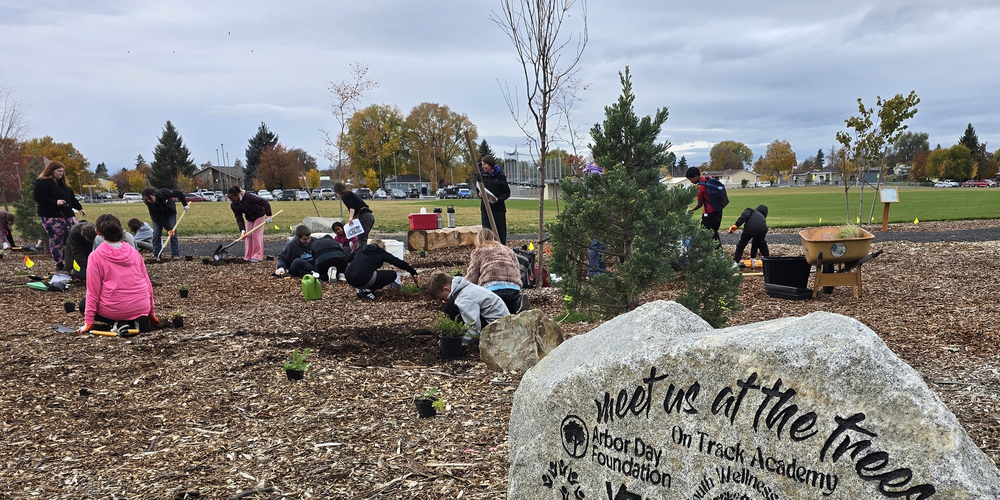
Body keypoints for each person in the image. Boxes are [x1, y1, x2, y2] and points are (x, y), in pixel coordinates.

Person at [77, 214, 157, 334]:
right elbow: (147, 284)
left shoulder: (96, 256)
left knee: (83, 304)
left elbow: (93, 291)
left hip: (114, 309)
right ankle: (134, 320)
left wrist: (89, 321)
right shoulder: (134, 253)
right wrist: (151, 312)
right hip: (142, 307)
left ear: (97, 232)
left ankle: (121, 322)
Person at [427, 270, 510, 344]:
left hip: (498, 329)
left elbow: (473, 325)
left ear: (447, 289)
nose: (444, 301)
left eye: (443, 299)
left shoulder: (464, 297)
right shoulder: (465, 287)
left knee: (449, 309)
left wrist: (459, 343)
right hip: (502, 322)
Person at [33, 161, 85, 271]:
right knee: (57, 241)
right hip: (51, 216)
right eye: (59, 171)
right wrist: (55, 202)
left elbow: (71, 198)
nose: (61, 173)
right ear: (52, 171)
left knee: (77, 235)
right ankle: (59, 264)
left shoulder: (64, 185)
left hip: (68, 215)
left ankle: (78, 262)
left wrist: (79, 208)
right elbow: (39, 197)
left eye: (62, 171)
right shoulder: (42, 183)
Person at [465, 228, 523, 314]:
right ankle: (516, 305)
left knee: (490, 311)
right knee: (511, 309)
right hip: (514, 287)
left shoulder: (478, 252)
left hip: (492, 288)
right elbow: (517, 270)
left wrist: (462, 285)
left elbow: (472, 276)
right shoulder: (508, 250)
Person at [344, 239, 418, 300]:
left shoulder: (361, 248)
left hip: (348, 277)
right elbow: (398, 262)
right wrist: (412, 271)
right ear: (382, 247)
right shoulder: (381, 252)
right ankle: (368, 290)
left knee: (369, 273)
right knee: (392, 275)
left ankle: (363, 289)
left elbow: (348, 259)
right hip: (362, 279)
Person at [227, 185, 272, 262]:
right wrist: (242, 230)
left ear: (237, 195)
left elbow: (264, 202)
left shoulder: (248, 197)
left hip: (259, 215)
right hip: (249, 218)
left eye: (232, 198)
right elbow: (239, 218)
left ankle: (257, 256)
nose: (231, 200)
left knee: (255, 235)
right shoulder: (234, 205)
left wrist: (269, 215)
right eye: (229, 199)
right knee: (247, 236)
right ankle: (248, 256)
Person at [142, 187, 189, 259]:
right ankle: (156, 254)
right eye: (146, 199)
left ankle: (175, 254)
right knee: (156, 234)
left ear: (154, 195)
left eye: (149, 198)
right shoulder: (149, 204)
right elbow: (159, 218)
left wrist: (185, 205)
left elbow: (179, 193)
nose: (148, 200)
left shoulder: (163, 193)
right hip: (158, 217)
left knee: (173, 233)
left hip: (170, 213)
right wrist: (168, 229)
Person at [476, 154, 511, 245]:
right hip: (486, 208)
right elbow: (478, 188)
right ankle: (487, 248)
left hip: (498, 209)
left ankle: (501, 248)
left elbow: (507, 193)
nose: (483, 167)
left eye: (485, 165)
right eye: (482, 164)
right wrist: (479, 194)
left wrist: (499, 199)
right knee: (486, 231)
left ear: (490, 165)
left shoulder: (500, 176)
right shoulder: (482, 176)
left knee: (500, 232)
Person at [686, 166, 723, 247]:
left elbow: (699, 204)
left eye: (691, 179)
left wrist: (690, 210)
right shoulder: (708, 178)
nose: (692, 182)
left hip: (708, 213)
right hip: (718, 211)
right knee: (714, 233)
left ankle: (712, 255)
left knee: (705, 235)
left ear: (696, 176)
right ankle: (719, 254)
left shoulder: (700, 187)